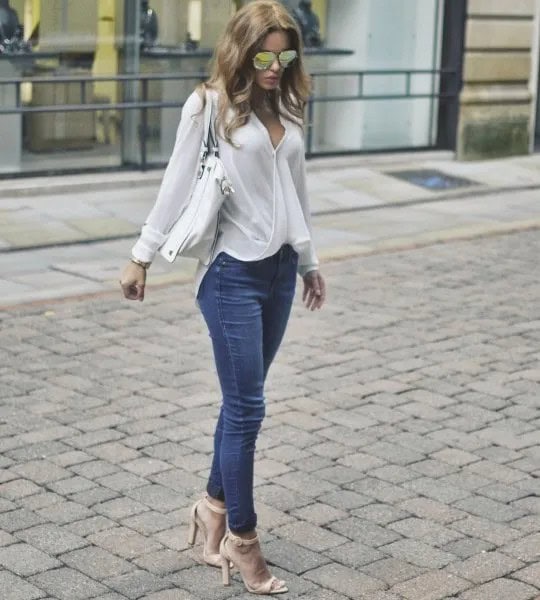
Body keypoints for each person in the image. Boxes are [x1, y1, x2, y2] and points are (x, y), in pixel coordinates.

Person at [120, 0, 326, 594]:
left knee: (242, 402)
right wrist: (141, 255)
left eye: (286, 53)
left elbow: (297, 190)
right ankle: (243, 538)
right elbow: (176, 181)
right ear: (241, 48)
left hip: (281, 273)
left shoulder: (287, 101)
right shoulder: (208, 105)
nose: (275, 65)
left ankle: (210, 510)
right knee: (249, 409)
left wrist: (309, 261)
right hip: (231, 276)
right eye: (265, 54)